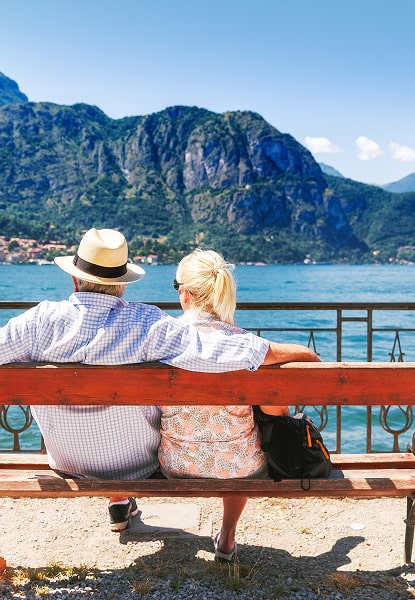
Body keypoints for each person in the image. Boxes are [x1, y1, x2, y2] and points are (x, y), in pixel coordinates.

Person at [0, 227, 319, 533]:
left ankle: (119, 502)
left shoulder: (36, 321)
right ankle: (123, 496)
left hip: (65, 460)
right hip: (134, 465)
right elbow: (213, 348)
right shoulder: (145, 323)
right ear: (123, 283)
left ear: (74, 279)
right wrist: (297, 353)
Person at [158, 249, 321, 562]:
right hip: (241, 469)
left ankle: (120, 505)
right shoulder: (248, 345)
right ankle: (228, 538)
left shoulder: (161, 339)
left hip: (175, 466)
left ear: (185, 294)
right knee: (241, 444)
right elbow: (298, 377)